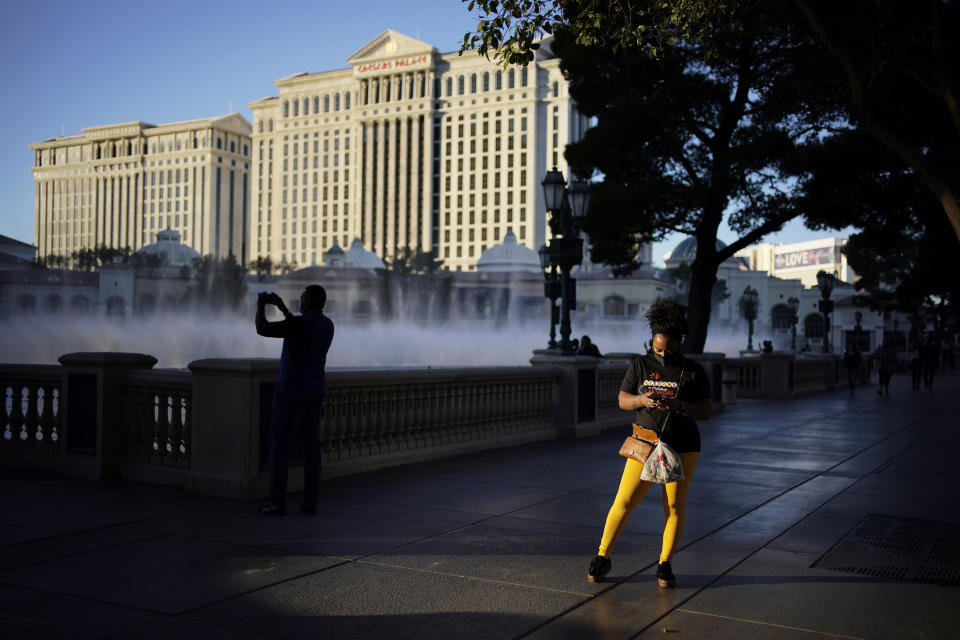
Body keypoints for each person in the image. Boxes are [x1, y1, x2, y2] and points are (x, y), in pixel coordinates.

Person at [587, 300, 712, 588]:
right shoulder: (640, 364)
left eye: (668, 348)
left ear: (679, 342)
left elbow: (706, 409)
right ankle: (602, 556)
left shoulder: (692, 370)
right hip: (645, 442)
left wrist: (679, 405)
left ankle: (665, 564)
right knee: (624, 501)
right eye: (658, 348)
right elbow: (622, 400)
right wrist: (642, 400)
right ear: (651, 342)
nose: (663, 353)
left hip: (682, 446)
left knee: (674, 506)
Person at [256, 285, 335, 516]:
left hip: (291, 391)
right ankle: (310, 502)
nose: (299, 303)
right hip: (315, 390)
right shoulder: (327, 325)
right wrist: (282, 308)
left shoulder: (300, 324)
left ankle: (277, 502)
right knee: (311, 448)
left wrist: (261, 305)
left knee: (279, 447)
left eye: (302, 299)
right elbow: (299, 327)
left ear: (308, 302)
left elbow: (263, 328)